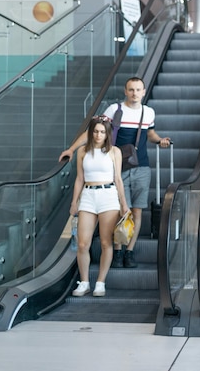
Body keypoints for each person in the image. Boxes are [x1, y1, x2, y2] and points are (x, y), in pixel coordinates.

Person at [59, 77, 171, 268]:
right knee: (121, 211)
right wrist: (71, 149)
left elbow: (149, 133)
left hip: (141, 167)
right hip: (117, 169)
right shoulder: (115, 110)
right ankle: (117, 251)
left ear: (144, 92)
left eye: (138, 90)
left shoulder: (148, 112)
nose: (135, 93)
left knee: (137, 211)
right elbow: (94, 131)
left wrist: (159, 140)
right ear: (125, 91)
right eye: (131, 90)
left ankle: (130, 251)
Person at [70, 116, 129, 297]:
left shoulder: (114, 152)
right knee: (82, 243)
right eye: (95, 131)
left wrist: (123, 204)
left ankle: (101, 282)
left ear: (107, 134)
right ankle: (85, 281)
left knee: (105, 242)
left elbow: (118, 179)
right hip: (88, 195)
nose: (98, 135)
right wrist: (74, 201)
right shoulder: (82, 151)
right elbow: (79, 178)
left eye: (102, 132)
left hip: (108, 196)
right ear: (91, 132)